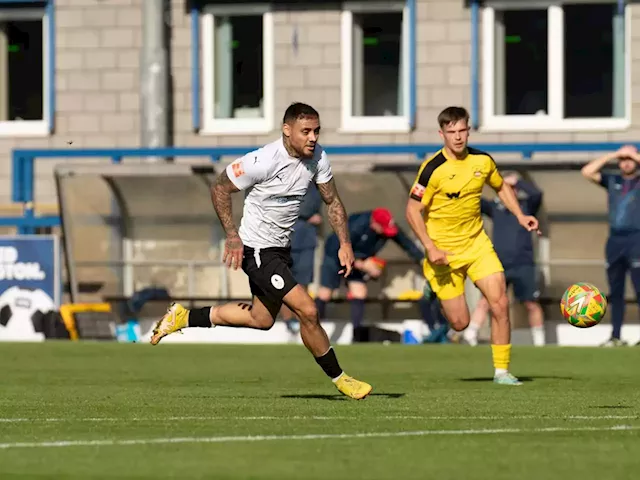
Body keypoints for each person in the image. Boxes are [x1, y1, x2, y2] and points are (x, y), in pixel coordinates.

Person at [150, 102, 372, 399]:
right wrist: (232, 236)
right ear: (287, 130)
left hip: (280, 250)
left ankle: (184, 317)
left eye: (317, 131)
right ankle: (341, 379)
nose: (313, 137)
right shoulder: (263, 160)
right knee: (307, 309)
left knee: (261, 319)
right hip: (257, 251)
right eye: (305, 131)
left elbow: (332, 201)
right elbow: (219, 187)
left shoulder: (318, 158)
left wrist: (345, 243)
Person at [405, 106, 540, 385]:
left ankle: (502, 371)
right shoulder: (432, 169)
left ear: (469, 130)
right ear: (441, 134)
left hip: (477, 245)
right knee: (460, 323)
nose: (457, 137)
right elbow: (411, 211)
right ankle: (435, 289)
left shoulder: (483, 161)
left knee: (500, 303)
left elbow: (501, 186)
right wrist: (430, 247)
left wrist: (520, 215)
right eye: (451, 132)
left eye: (462, 131)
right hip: (442, 254)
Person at [464, 173, 546, 347]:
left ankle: (539, 341)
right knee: (486, 300)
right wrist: (492, 183)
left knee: (531, 303)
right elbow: (473, 200)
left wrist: (518, 181)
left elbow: (537, 195)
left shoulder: (526, 206)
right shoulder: (495, 207)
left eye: (512, 189)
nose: (510, 191)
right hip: (498, 263)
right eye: (505, 189)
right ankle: (470, 333)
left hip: (523, 263)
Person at [315, 208, 425, 330]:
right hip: (335, 256)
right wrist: (362, 265)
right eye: (383, 229)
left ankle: (356, 334)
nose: (386, 233)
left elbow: (407, 244)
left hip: (359, 259)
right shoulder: (356, 226)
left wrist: (422, 259)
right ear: (374, 223)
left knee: (359, 292)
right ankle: (314, 327)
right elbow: (335, 248)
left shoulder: (389, 226)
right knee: (325, 293)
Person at [581, 144, 640, 347]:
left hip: (636, 240)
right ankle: (615, 336)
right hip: (615, 241)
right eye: (622, 159)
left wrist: (635, 155)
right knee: (616, 292)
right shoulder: (613, 180)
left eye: (629, 159)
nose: (625, 162)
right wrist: (612, 155)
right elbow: (587, 172)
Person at [280, 183, 322, 334]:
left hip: (307, 242)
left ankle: (302, 319)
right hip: (285, 241)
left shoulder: (318, 187)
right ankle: (288, 320)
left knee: (303, 283)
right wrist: (306, 215)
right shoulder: (285, 180)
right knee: (284, 283)